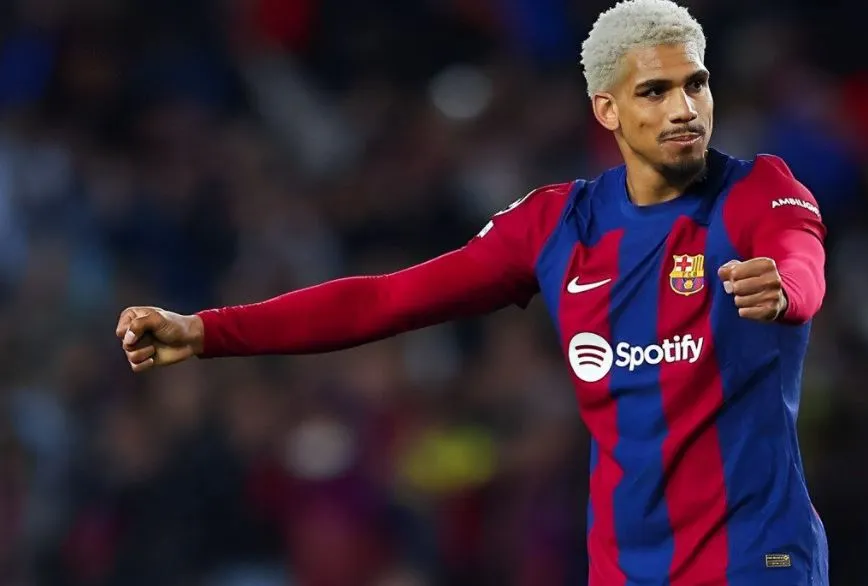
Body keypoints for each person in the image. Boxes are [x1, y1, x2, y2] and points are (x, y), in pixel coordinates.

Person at [115, 0, 829, 584]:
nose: (684, 108)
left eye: (695, 84)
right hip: (625, 572)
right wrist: (207, 330)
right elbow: (384, 301)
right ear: (607, 109)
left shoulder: (757, 189)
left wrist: (786, 291)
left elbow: (801, 260)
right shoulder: (556, 225)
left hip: (755, 561)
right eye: (655, 91)